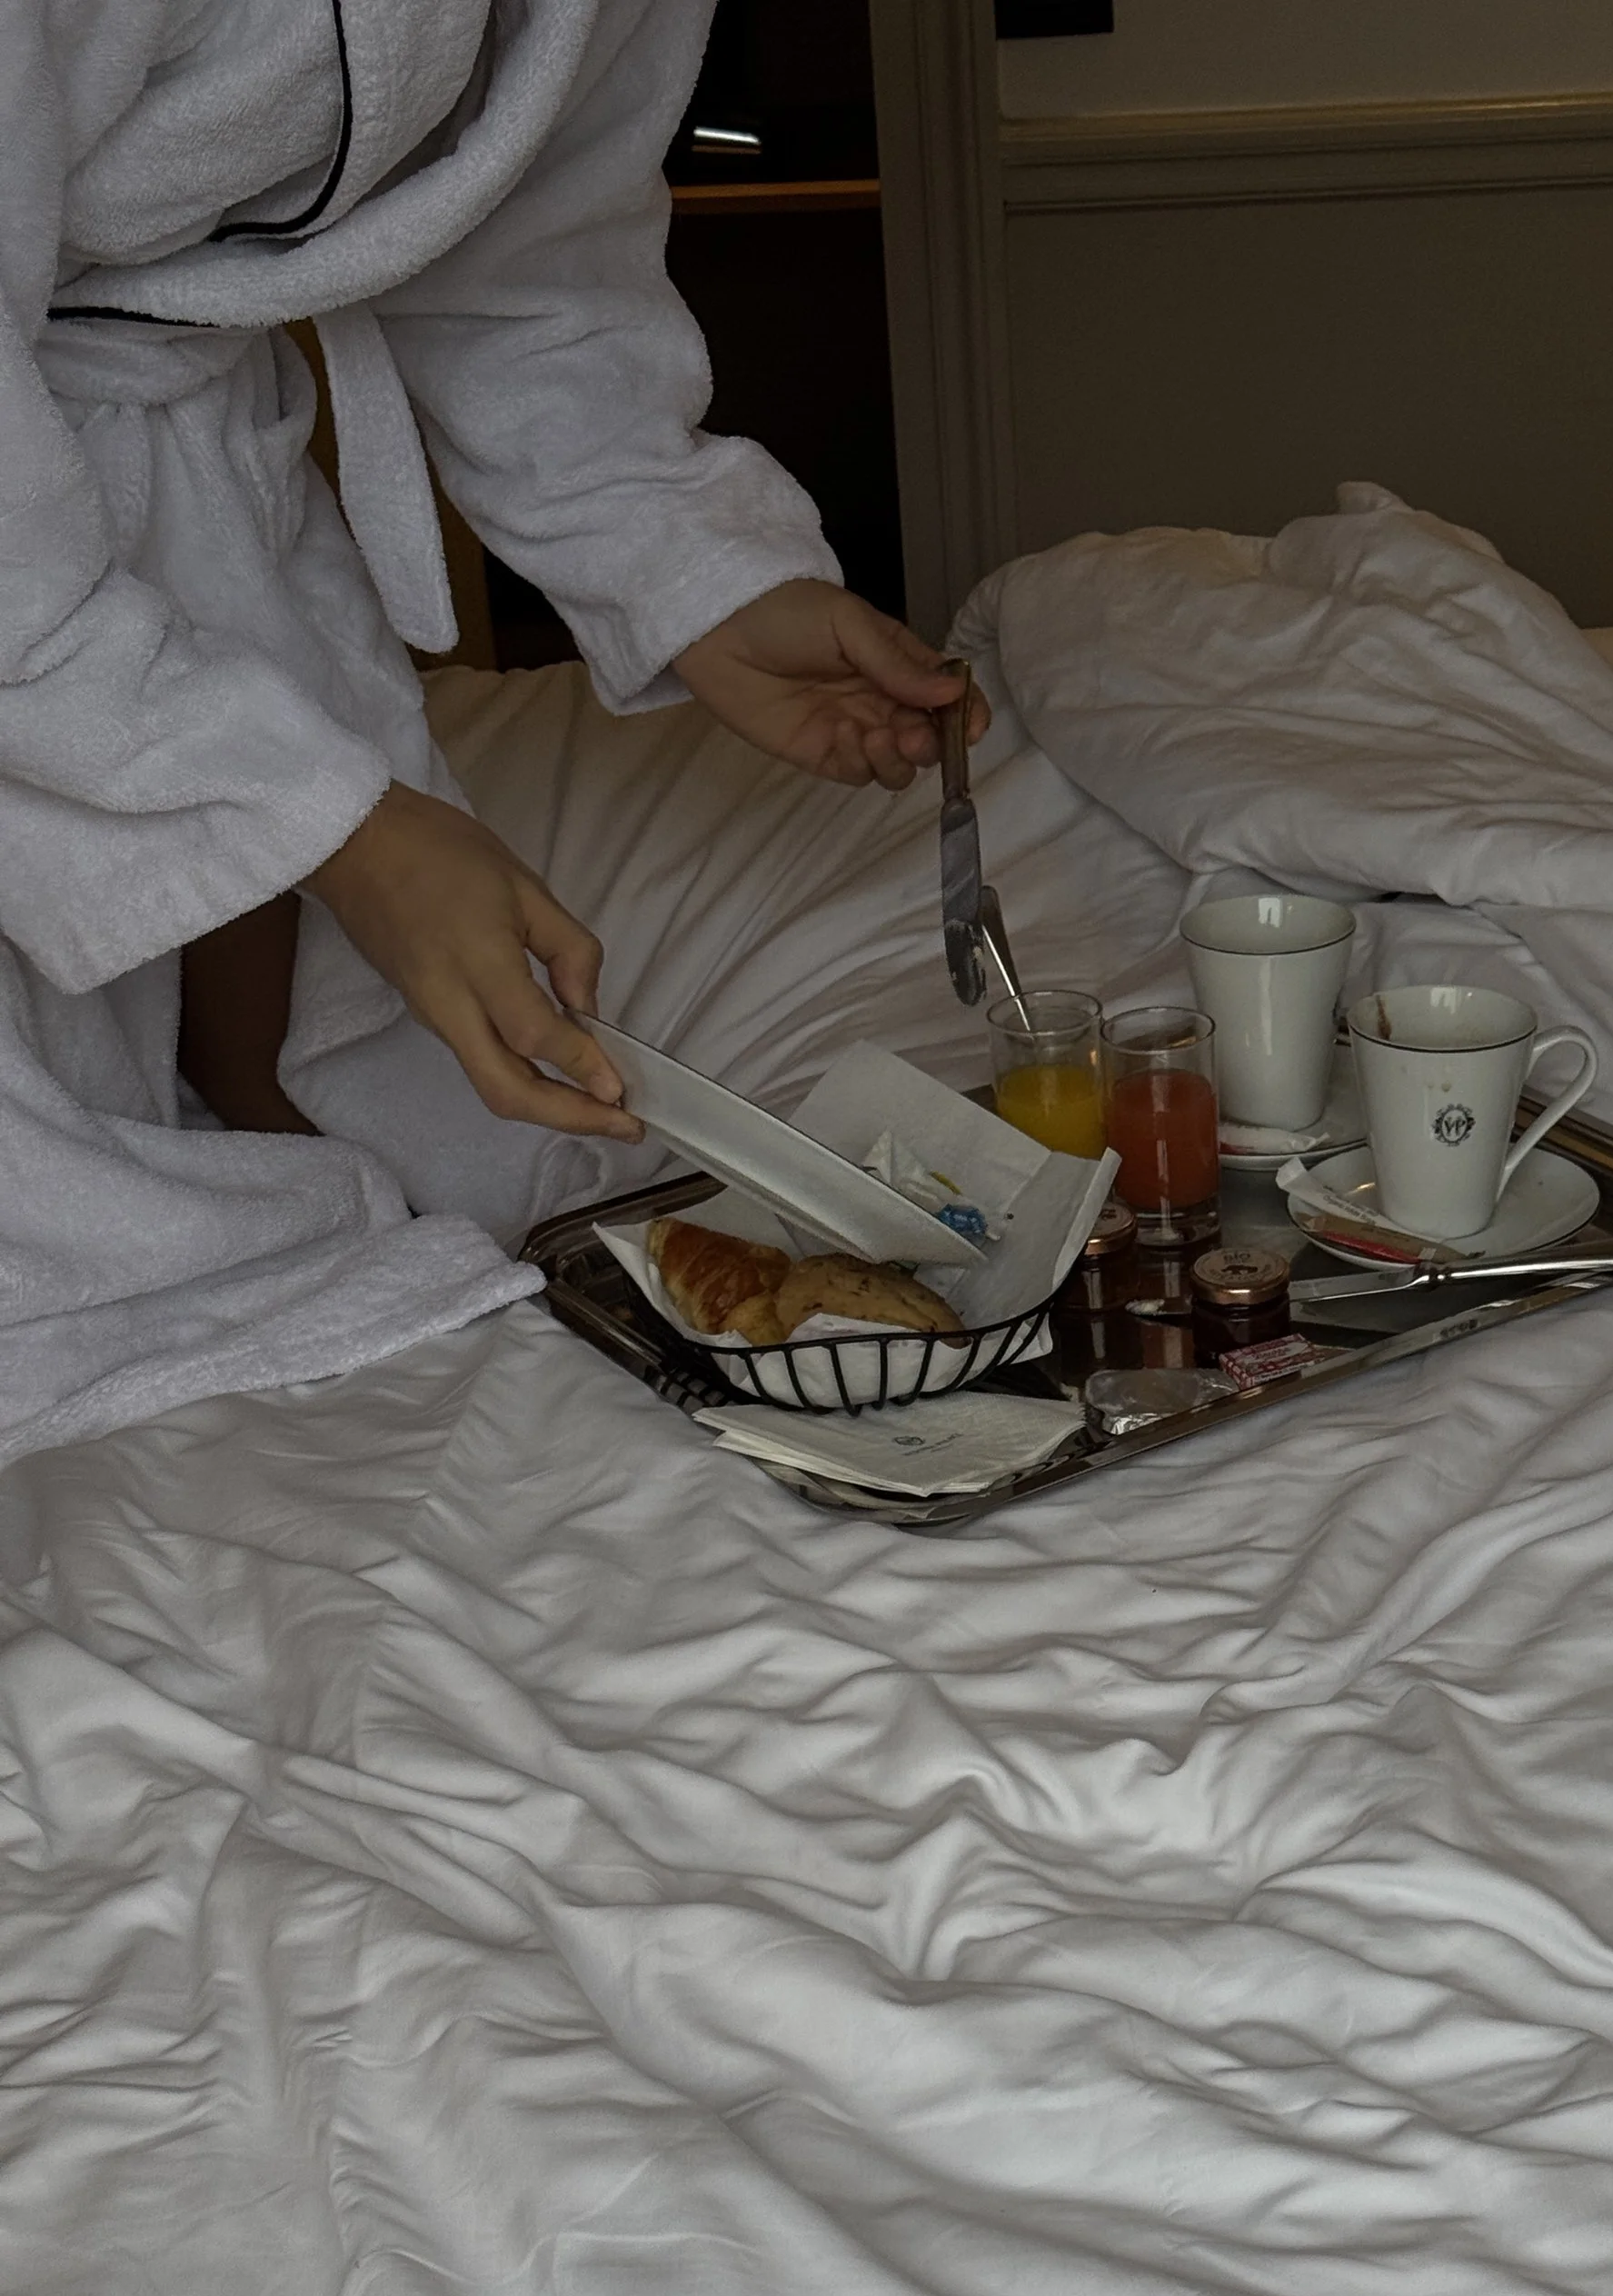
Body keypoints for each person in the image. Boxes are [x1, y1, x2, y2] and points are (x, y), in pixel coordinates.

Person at [2, 0, 984, 1358]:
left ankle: (242, 1122)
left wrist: (698, 575)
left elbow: (534, 257)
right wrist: (340, 829)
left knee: (357, 1157)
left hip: (180, 461)